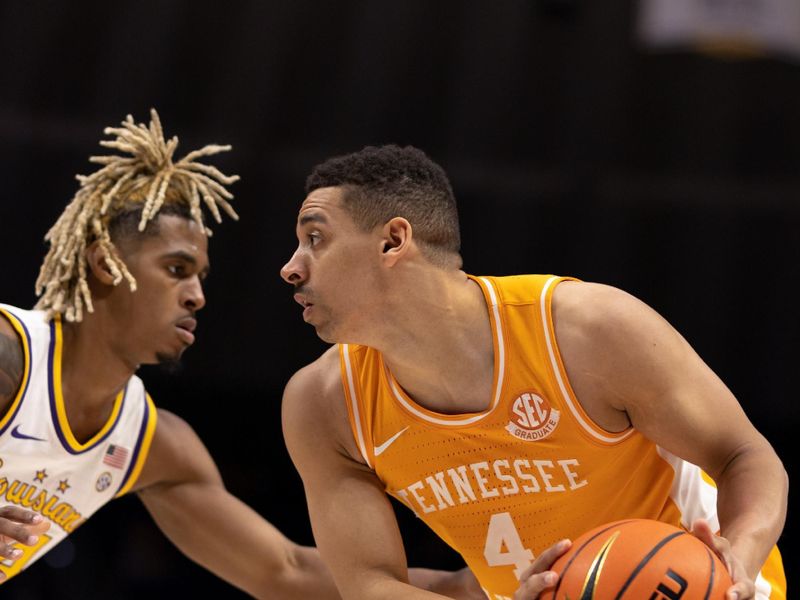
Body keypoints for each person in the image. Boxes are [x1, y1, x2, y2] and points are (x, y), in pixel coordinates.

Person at [0, 113, 481, 599]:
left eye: (201, 277)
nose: (196, 296)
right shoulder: (11, 354)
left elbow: (282, 570)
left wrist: (462, 587)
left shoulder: (151, 443)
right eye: (176, 269)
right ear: (106, 264)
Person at [279, 144, 788, 600]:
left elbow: (745, 454)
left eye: (315, 238)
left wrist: (738, 556)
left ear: (393, 240)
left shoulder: (585, 330)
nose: (291, 267)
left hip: (698, 588)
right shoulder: (325, 403)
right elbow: (369, 584)